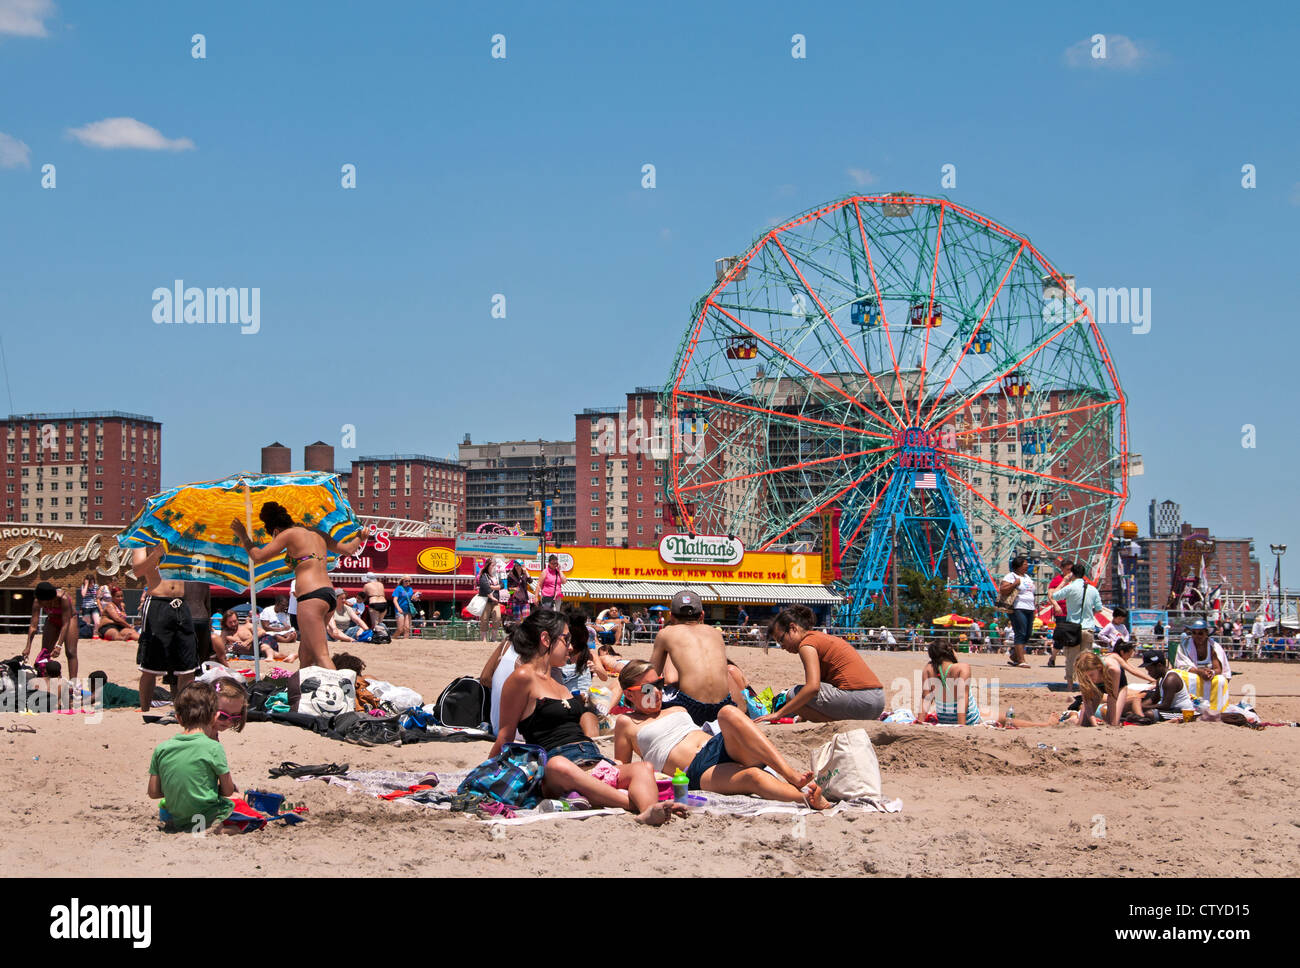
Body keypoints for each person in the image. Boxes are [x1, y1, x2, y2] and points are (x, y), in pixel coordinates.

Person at [491, 610, 687, 825]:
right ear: (546, 639)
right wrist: (487, 774)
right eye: (566, 639)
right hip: (556, 768)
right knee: (558, 766)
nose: (571, 647)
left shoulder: (556, 681)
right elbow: (505, 735)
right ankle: (630, 803)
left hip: (594, 759)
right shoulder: (522, 677)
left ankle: (648, 811)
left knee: (643, 768)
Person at [614, 661, 831, 808]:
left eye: (659, 684)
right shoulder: (627, 723)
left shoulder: (676, 708)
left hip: (719, 746)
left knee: (727, 712)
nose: (658, 691)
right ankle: (808, 799)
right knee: (752, 777)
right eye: (648, 688)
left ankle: (790, 774)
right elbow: (622, 767)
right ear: (629, 695)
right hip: (696, 770)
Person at [232, 501, 360, 671]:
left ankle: (342, 693)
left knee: (321, 655)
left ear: (276, 530)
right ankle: (301, 690)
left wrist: (243, 535)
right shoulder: (316, 533)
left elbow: (258, 556)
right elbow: (349, 549)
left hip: (311, 596)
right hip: (328, 594)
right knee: (305, 653)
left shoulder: (288, 534)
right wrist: (362, 537)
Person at [760, 604, 885, 722]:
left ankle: (838, 724)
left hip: (862, 700)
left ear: (793, 628)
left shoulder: (806, 645)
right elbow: (825, 684)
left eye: (781, 640)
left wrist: (778, 714)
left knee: (792, 695)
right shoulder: (819, 638)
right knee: (800, 700)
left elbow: (813, 687)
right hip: (877, 701)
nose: (782, 647)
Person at [147, 683, 236, 833]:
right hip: (205, 819)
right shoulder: (214, 747)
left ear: (178, 719)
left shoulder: (161, 749)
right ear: (215, 717)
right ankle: (219, 830)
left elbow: (153, 792)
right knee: (237, 814)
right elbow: (228, 791)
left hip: (178, 819)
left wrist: (178, 790)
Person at [650, 590, 738, 726]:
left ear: (671, 616)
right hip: (723, 707)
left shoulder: (665, 634)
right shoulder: (715, 633)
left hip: (691, 707)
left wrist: (645, 708)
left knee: (647, 697)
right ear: (702, 615)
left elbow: (651, 676)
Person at [132, 544, 198, 713]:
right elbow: (137, 571)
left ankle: (182, 710)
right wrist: (156, 554)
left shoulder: (179, 540)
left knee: (187, 665)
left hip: (181, 604)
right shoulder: (142, 542)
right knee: (150, 665)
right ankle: (144, 709)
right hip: (157, 602)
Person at [1051, 563, 1103, 687]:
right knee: (1086, 660)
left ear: (1072, 574)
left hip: (1072, 629)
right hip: (1088, 628)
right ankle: (1085, 685)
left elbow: (1054, 595)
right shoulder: (1092, 589)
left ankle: (1070, 684)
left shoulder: (1071, 587)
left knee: (1071, 659)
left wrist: (1064, 581)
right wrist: (1089, 616)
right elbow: (1099, 608)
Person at [23, 581, 80, 680]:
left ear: (50, 599)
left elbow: (65, 623)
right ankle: (44, 679)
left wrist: (59, 645)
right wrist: (28, 647)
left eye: (42, 602)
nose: (40, 604)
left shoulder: (63, 598)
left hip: (69, 620)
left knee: (71, 652)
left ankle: (73, 684)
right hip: (52, 619)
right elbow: (33, 626)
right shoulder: (38, 601)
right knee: (45, 652)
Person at [920, 641, 982, 725]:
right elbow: (962, 698)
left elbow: (926, 698)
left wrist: (919, 721)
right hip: (968, 720)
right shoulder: (962, 667)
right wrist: (961, 725)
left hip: (944, 720)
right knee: (998, 715)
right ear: (950, 651)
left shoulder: (928, 669)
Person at [1174, 619, 1232, 709]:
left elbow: (1218, 669)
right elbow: (1181, 665)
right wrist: (1199, 672)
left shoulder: (1214, 647)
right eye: (1194, 633)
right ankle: (1190, 706)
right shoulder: (1184, 646)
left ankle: (1216, 707)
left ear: (1206, 634)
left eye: (1200, 633)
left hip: (1208, 676)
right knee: (1188, 677)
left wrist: (1211, 672)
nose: (1197, 636)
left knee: (1221, 680)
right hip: (1191, 674)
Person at [214, 610, 293, 662]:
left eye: (235, 621)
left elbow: (262, 631)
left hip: (262, 641)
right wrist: (230, 647)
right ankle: (290, 656)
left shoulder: (247, 626)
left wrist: (247, 642)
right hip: (254, 653)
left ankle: (270, 657)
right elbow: (221, 648)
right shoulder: (225, 633)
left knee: (264, 647)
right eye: (230, 622)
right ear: (225, 623)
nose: (233, 624)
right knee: (274, 654)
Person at [1138, 649, 1195, 720]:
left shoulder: (1170, 679)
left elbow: (1165, 705)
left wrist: (1144, 707)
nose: (1149, 673)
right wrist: (1140, 706)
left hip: (1182, 712)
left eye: (1150, 670)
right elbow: (1155, 698)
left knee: (1149, 714)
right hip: (1172, 710)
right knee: (1140, 711)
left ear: (1159, 666)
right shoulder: (1161, 679)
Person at [1075, 651, 1128, 727]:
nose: (1089, 679)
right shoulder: (1082, 673)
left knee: (1113, 723)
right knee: (1083, 723)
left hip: (1119, 688)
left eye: (1091, 675)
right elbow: (1086, 701)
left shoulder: (1112, 669)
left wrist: (1112, 723)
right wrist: (1093, 722)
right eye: (1086, 677)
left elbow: (1112, 698)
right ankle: (1072, 718)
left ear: (1099, 668)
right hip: (1097, 687)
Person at [999, 556, 1035, 667]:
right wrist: (1015, 583)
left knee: (1028, 634)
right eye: (1025, 564)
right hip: (1018, 607)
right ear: (1018, 565)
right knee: (1021, 632)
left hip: (1030, 607)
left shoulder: (1027, 577)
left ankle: (1015, 655)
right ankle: (1021, 660)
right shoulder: (1011, 576)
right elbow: (1002, 590)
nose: (1027, 565)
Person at [1045, 558, 1073, 668]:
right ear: (1062, 569)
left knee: (1073, 637)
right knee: (1060, 637)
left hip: (1073, 612)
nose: (1070, 571)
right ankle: (1053, 657)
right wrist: (1056, 605)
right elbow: (1050, 594)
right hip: (1061, 612)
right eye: (1068, 569)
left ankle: (1071, 660)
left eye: (1072, 569)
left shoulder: (1077, 580)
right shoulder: (1057, 580)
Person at [477, 559, 502, 642]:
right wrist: (491, 596)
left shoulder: (497, 576)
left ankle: (493, 638)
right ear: (488, 566)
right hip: (486, 600)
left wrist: (494, 587)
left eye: (495, 565)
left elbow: (502, 585)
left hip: (495, 601)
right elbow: (485, 587)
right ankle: (483, 639)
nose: (494, 567)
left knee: (497, 617)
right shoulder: (483, 576)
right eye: (492, 565)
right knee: (484, 619)